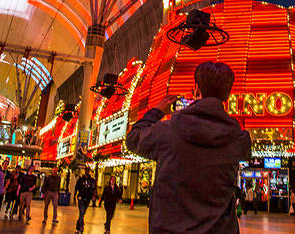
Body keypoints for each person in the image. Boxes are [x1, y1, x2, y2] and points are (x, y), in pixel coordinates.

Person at [126, 61, 251, 233]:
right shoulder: (239, 140)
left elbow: (133, 139)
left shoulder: (167, 132)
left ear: (197, 90)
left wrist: (157, 111)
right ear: (227, 96)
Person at [74, 168, 96, 233]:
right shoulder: (80, 180)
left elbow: (94, 188)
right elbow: (76, 188)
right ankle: (78, 227)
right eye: (86, 170)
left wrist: (93, 196)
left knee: (82, 213)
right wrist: (74, 197)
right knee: (82, 211)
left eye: (88, 170)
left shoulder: (92, 180)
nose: (87, 172)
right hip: (81, 198)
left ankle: (81, 225)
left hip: (87, 198)